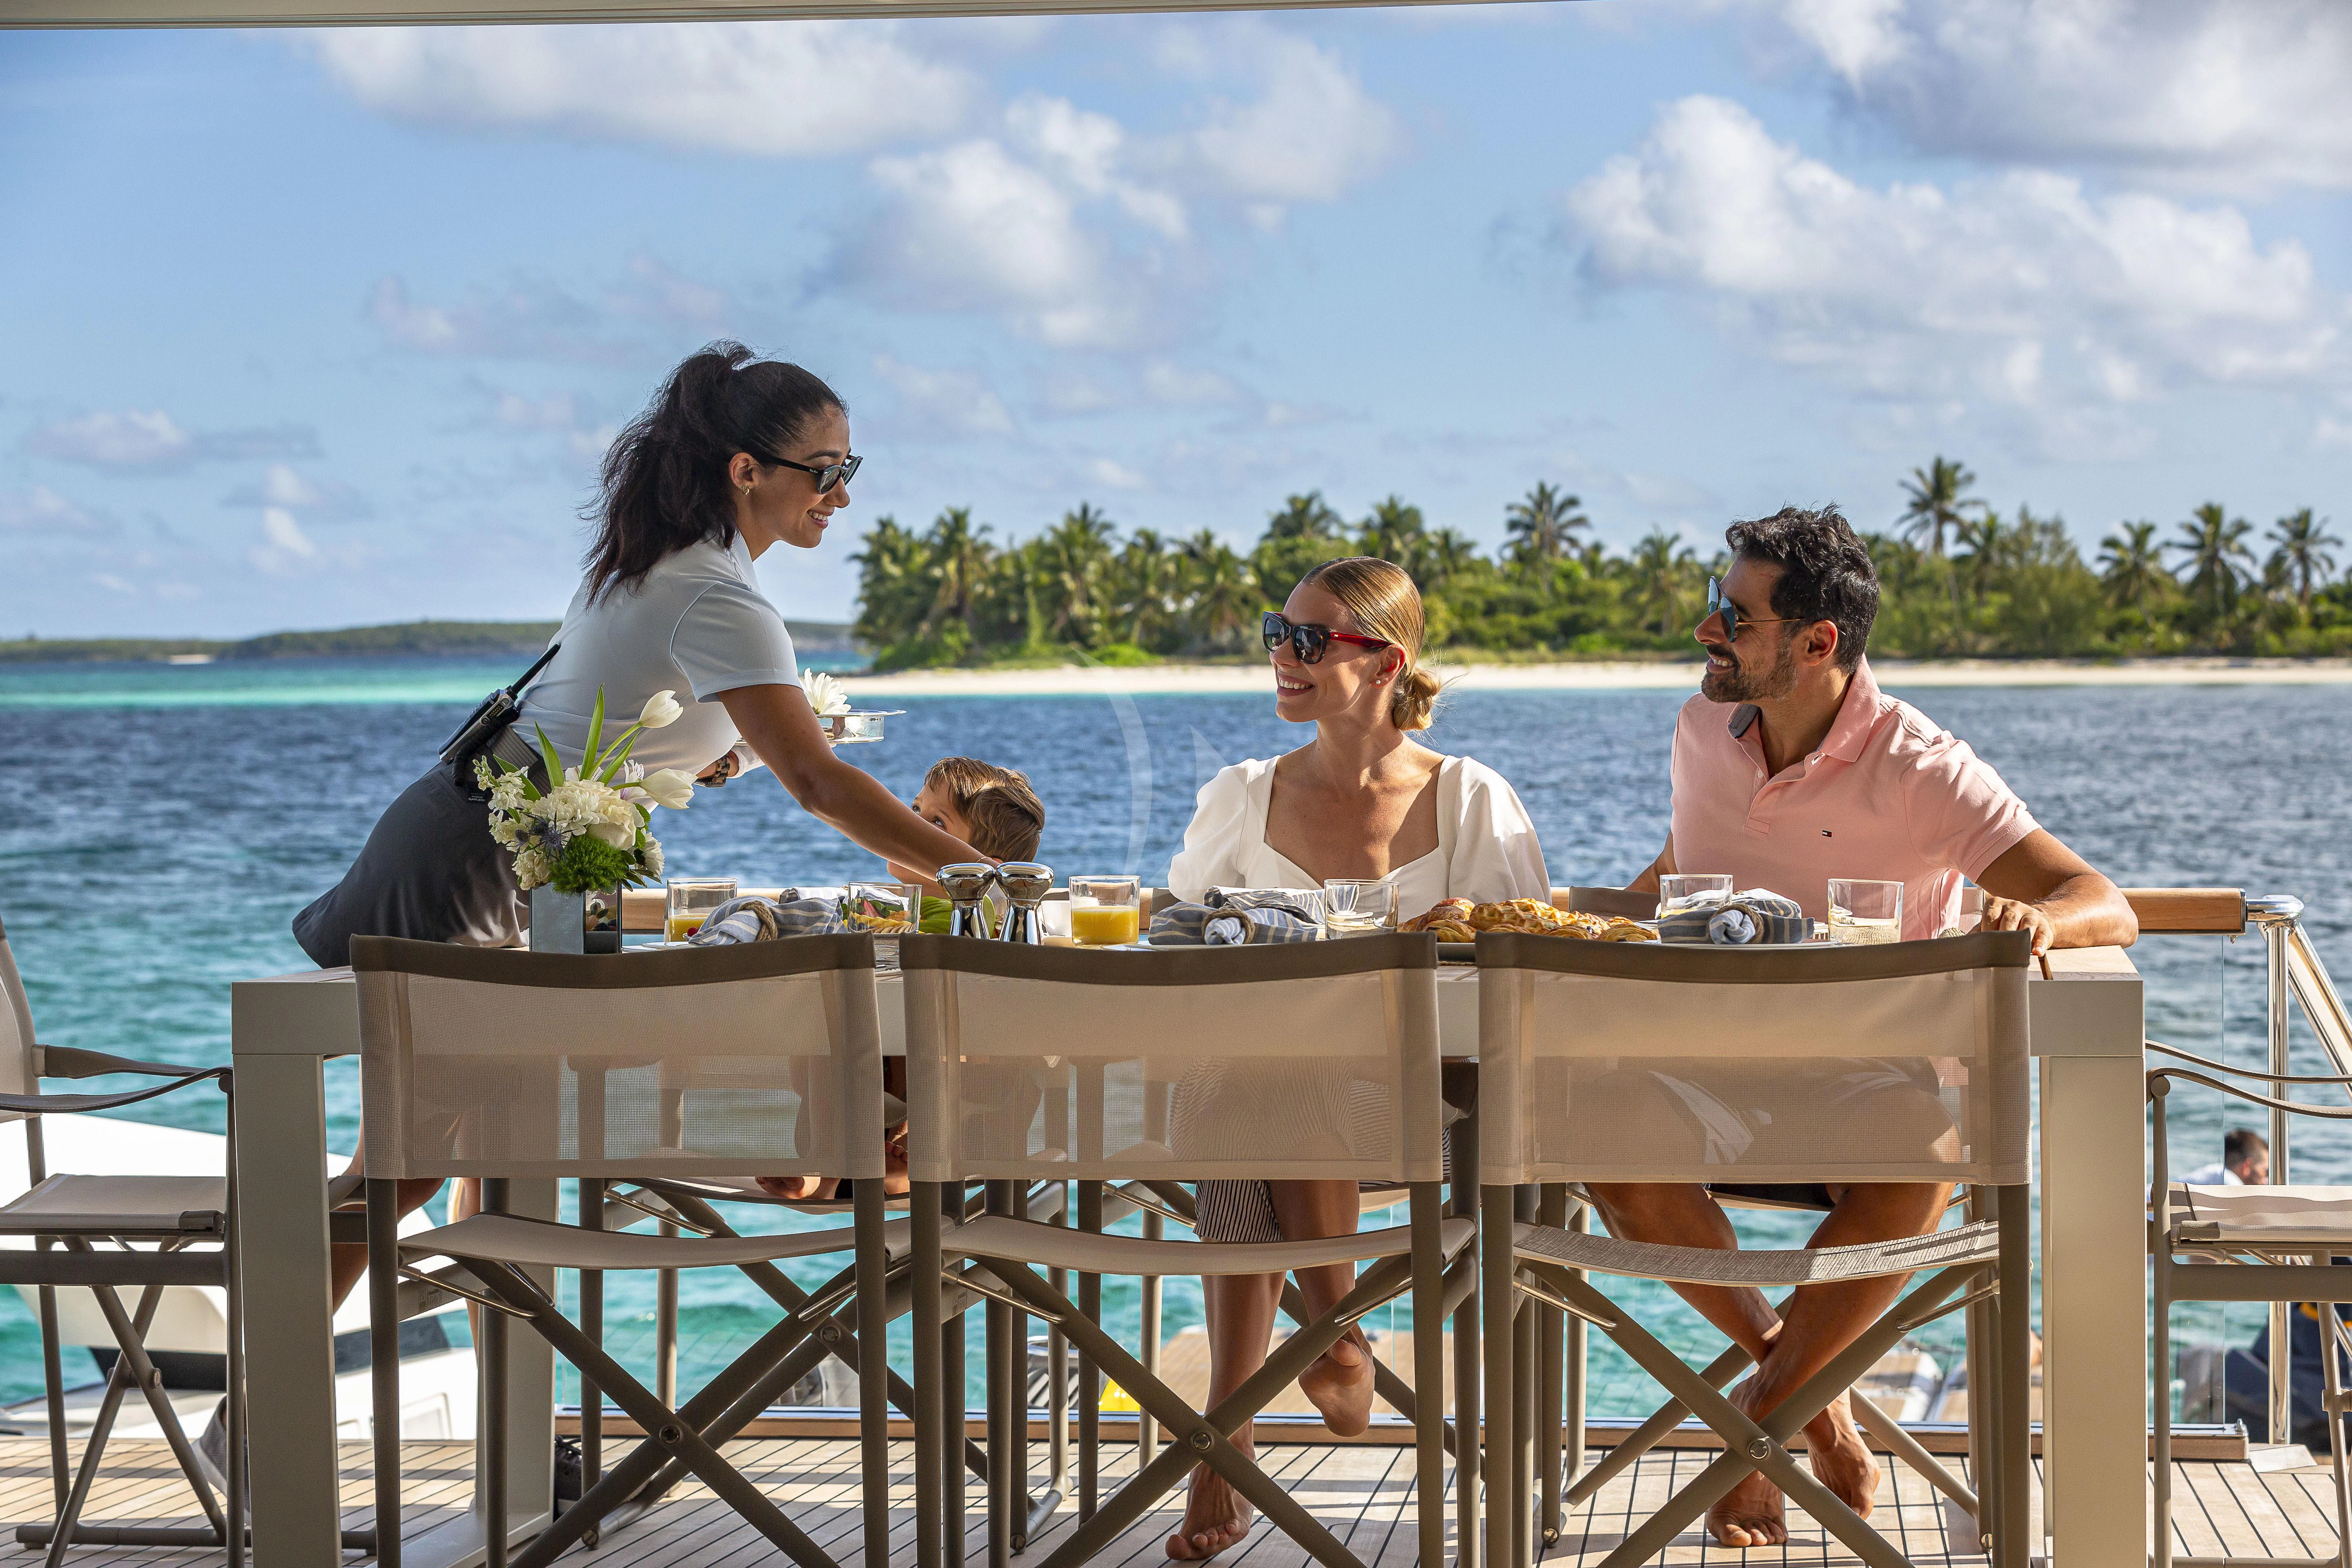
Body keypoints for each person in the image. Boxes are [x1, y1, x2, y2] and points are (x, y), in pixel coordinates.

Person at [292, 342, 990, 1307]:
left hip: (489, 845)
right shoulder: (714, 595)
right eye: (826, 472)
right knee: (400, 1168)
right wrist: (981, 877)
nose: (839, 493)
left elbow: (657, 741)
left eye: (849, 470)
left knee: (436, 1159)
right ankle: (263, 1406)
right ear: (746, 470)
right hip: (475, 870)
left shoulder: (661, 565)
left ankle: (489, 1419)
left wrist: (748, 746)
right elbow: (820, 787)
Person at [1598, 506, 2138, 1549]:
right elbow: (1678, 877)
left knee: (1924, 1156)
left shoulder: (1919, 764)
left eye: (1732, 614)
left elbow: (2098, 898)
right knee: (1598, 1136)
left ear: (1815, 643)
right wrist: (1569, 922)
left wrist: (2037, 917)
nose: (1706, 628)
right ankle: (1807, 1406)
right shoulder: (1698, 728)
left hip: (1869, 1087)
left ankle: (1761, 1419)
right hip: (1713, 1070)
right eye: (1713, 604)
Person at [1162, 556, 1548, 1560]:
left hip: (1435, 1104)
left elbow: (1520, 971)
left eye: (1308, 640)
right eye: (1276, 634)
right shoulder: (1240, 795)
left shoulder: (1467, 798)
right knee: (1267, 1077)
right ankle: (1320, 1344)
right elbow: (1171, 943)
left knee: (1285, 1068)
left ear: (1386, 662)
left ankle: (1239, 1417)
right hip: (1253, 1092)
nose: (1282, 659)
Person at [891, 757, 1047, 931]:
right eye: (916, 810)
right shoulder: (894, 915)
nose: (912, 823)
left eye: (938, 822)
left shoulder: (956, 929)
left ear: (988, 874)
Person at [2183, 1127, 2271, 1187]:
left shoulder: (2217, 1175)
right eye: (2265, 1170)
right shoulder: (2228, 1182)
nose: (2266, 1179)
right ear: (2247, 1166)